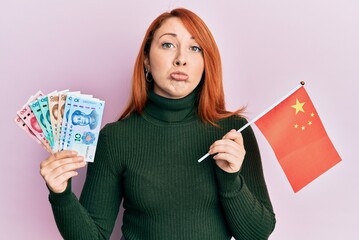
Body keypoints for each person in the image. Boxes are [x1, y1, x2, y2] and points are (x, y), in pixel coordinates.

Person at [40, 8, 276, 240]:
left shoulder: (232, 132)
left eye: (195, 48)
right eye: (168, 45)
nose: (181, 59)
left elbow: (257, 234)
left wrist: (230, 178)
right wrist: (60, 195)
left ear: (206, 64)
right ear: (146, 60)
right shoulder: (115, 138)